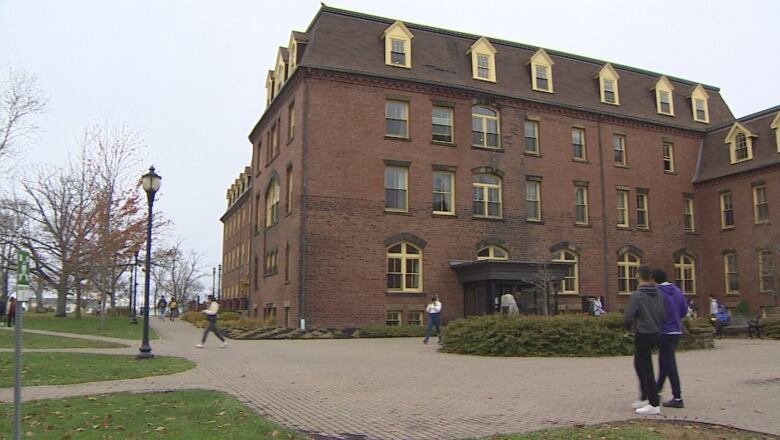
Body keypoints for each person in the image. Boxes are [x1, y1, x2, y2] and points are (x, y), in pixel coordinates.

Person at [624, 265, 666, 415]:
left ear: (638, 276)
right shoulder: (659, 294)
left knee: (646, 367)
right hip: (655, 332)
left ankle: (653, 402)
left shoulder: (637, 295)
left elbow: (628, 315)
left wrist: (628, 328)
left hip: (642, 333)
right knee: (640, 364)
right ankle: (645, 397)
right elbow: (663, 314)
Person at [652, 268, 688, 409]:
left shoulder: (657, 293)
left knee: (669, 364)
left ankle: (677, 397)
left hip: (663, 332)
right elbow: (684, 310)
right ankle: (655, 392)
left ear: (654, 280)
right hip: (676, 331)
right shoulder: (677, 291)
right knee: (664, 362)